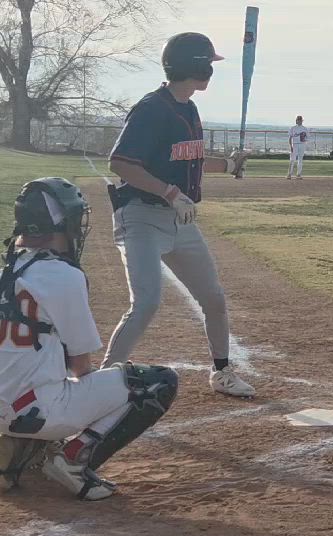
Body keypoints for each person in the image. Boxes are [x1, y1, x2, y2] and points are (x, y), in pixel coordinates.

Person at [0, 178, 179, 500]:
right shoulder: (63, 276)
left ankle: (16, 453)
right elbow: (80, 367)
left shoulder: (5, 272)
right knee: (155, 382)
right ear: (60, 223)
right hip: (31, 411)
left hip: (9, 405)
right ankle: (71, 459)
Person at [103, 32, 255, 397]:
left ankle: (221, 373)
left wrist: (229, 164)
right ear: (196, 67)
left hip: (179, 221)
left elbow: (188, 159)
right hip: (141, 217)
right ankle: (102, 383)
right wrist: (170, 193)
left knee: (213, 298)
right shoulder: (152, 108)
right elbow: (121, 163)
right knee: (147, 303)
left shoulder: (188, 107)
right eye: (207, 64)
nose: (210, 72)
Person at [288, 116, 308, 180]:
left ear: (302, 121)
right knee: (292, 159)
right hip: (295, 145)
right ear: (296, 121)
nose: (299, 121)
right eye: (298, 120)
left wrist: (304, 140)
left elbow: (307, 137)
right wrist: (291, 146)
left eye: (300, 120)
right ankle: (289, 174)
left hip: (302, 145)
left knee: (300, 160)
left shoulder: (305, 128)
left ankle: (298, 174)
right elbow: (290, 138)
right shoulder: (293, 128)